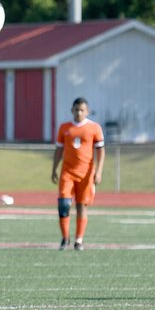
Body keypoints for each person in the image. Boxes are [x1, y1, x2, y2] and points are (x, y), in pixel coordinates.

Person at [51, 97, 105, 251]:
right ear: (71, 110)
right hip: (67, 172)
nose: (79, 113)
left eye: (82, 110)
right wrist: (54, 168)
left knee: (81, 205)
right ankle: (65, 238)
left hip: (86, 174)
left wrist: (99, 171)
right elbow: (59, 149)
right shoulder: (64, 128)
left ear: (87, 111)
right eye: (76, 110)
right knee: (64, 204)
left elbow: (101, 150)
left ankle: (79, 240)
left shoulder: (94, 128)